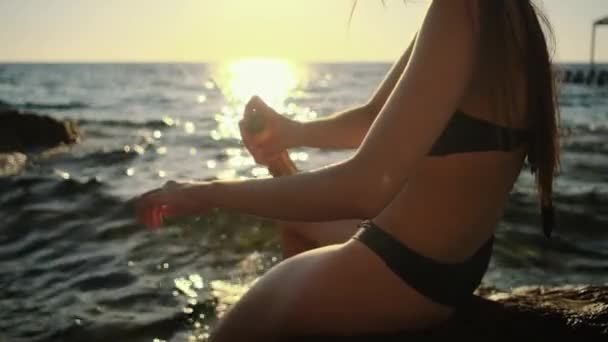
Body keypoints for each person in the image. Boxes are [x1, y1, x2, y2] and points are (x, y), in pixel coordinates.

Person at [135, 0, 560, 340]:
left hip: (408, 273)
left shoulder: (459, 9)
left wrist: (205, 192)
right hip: (449, 263)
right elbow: (376, 116)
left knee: (238, 326)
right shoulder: (502, 11)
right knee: (296, 226)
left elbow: (361, 189)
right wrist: (290, 132)